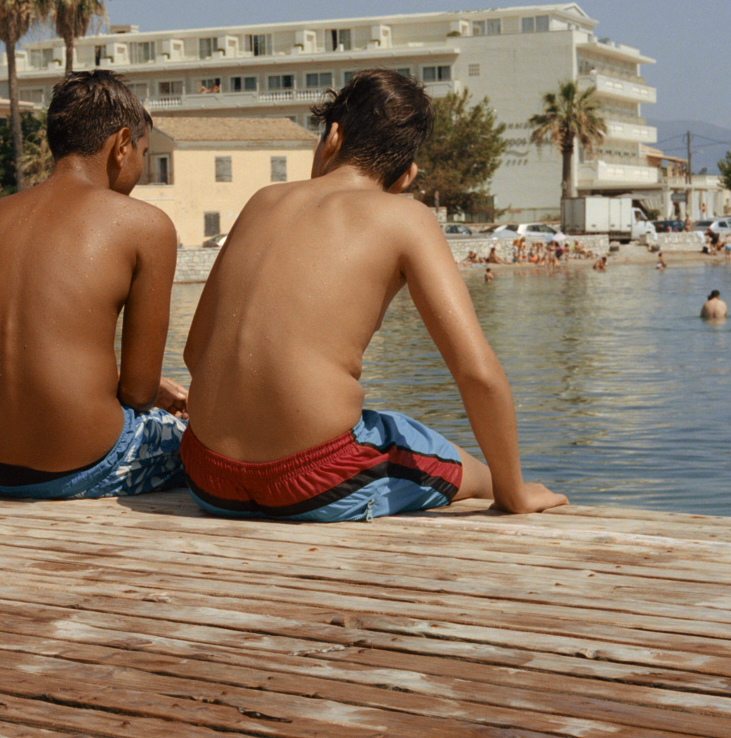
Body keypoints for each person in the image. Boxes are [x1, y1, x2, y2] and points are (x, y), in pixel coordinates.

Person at [179, 69, 565, 524]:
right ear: (407, 175)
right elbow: (477, 374)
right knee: (437, 452)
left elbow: (194, 351)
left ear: (333, 136)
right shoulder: (406, 218)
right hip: (319, 481)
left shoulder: (263, 200)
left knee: (388, 429)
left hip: (208, 476)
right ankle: (506, 488)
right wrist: (511, 492)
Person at [0, 70, 186, 500]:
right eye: (143, 152)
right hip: (82, 464)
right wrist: (152, 392)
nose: (140, 167)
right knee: (208, 440)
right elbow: (137, 393)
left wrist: (150, 388)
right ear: (121, 145)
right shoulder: (144, 224)